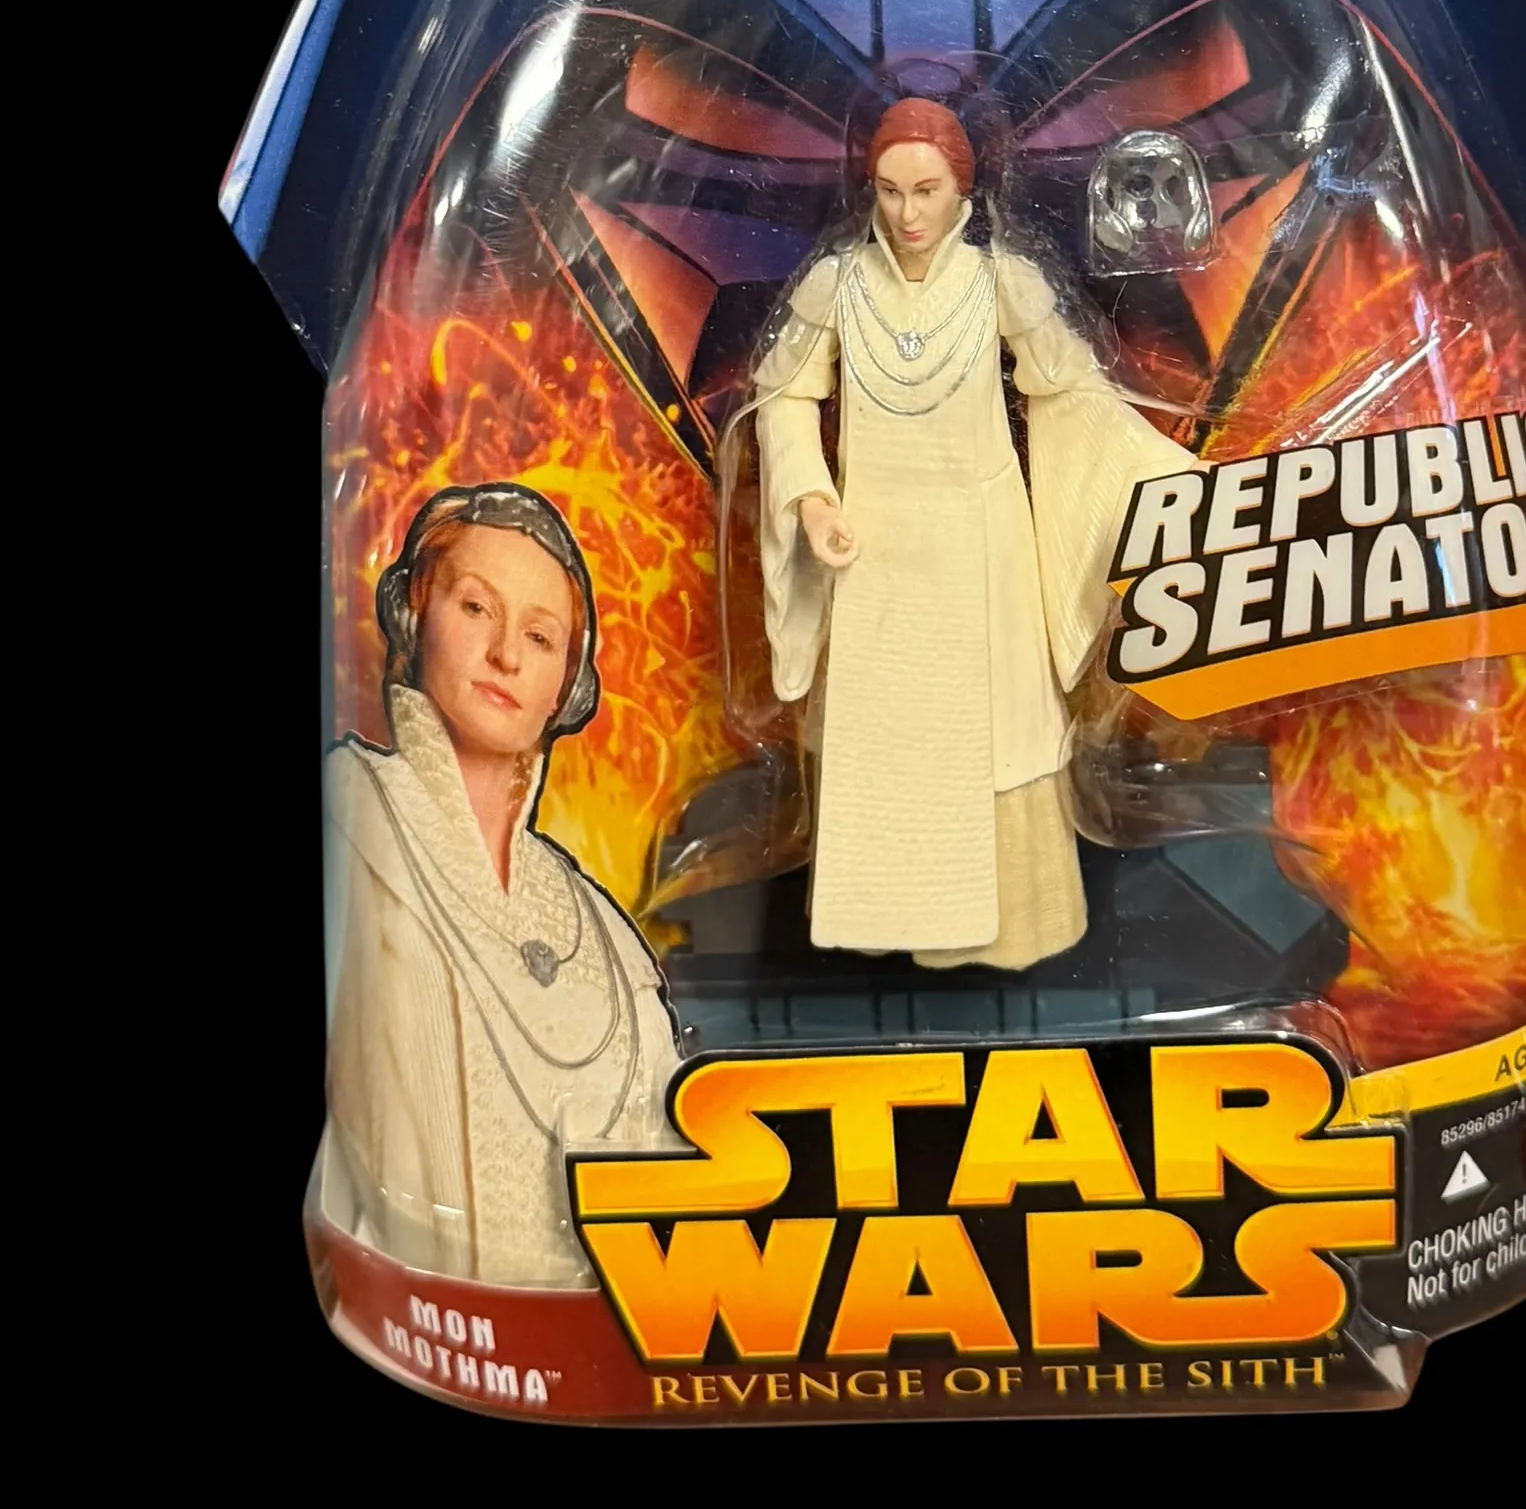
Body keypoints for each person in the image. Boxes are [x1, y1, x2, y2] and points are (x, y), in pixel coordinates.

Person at [754, 98, 1195, 970]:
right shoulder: (837, 285)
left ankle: (1013, 927)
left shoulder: (1001, 284)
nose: (907, 213)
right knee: (889, 734)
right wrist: (811, 498)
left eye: (926, 190)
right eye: (889, 191)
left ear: (962, 187)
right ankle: (891, 923)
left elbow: (1074, 393)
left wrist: (1165, 482)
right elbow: (785, 397)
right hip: (873, 552)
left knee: (1001, 733)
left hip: (982, 553)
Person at [320, 483, 680, 1286]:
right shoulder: (349, 815)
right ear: (416, 614)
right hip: (404, 1301)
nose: (506, 655)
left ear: (566, 687)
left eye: (541, 636)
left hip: (599, 1321)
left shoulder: (606, 936)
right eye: (477, 607)